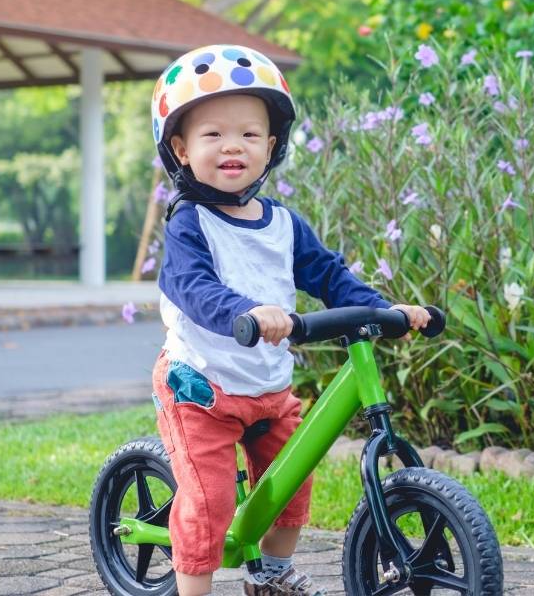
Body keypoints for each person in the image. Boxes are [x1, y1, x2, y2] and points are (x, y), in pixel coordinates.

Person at [149, 44, 430, 596]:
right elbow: (194, 288)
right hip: (200, 386)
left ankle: (271, 575)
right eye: (214, 135)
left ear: (270, 147)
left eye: (250, 135)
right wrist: (245, 312)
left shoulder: (283, 223)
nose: (234, 145)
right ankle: (193, 588)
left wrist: (384, 309)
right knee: (209, 499)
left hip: (267, 386)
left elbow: (329, 275)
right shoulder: (189, 224)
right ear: (181, 150)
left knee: (291, 486)